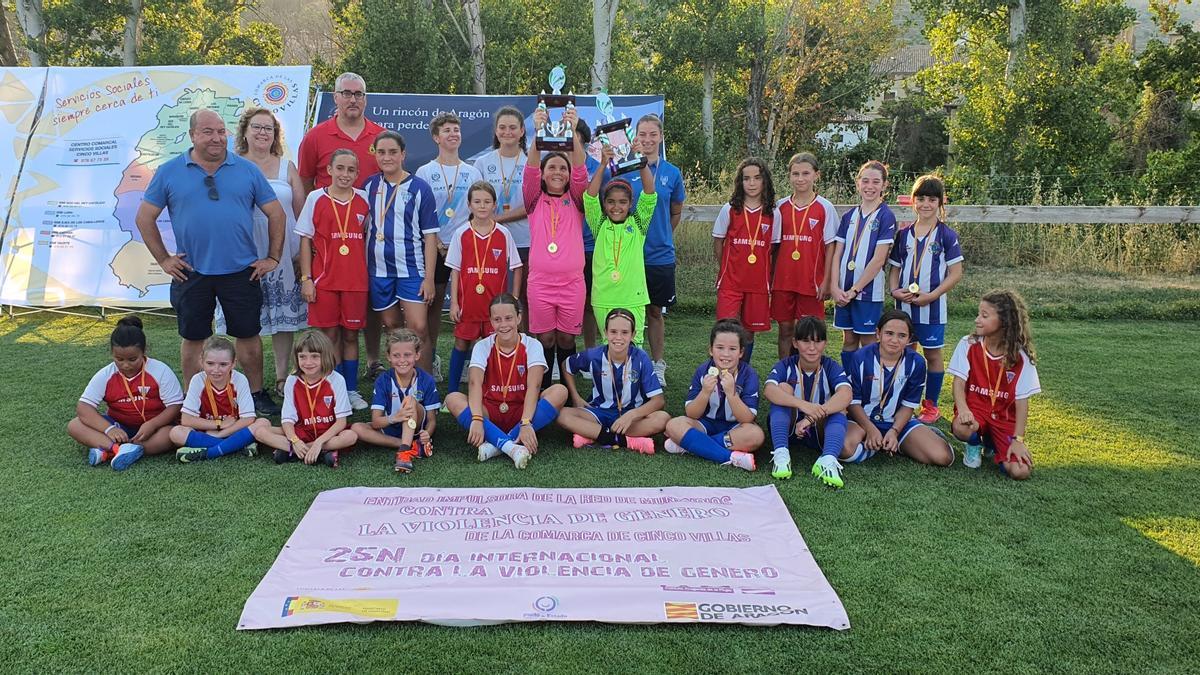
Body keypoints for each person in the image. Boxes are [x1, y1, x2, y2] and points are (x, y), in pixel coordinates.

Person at [135, 108, 285, 415]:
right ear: (192, 135)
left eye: (221, 131)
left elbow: (276, 213)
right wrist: (164, 259)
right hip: (192, 272)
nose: (216, 138)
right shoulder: (169, 171)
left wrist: (272, 257)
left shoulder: (246, 170)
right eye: (208, 132)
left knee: (247, 334)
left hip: (241, 270)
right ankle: (193, 398)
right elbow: (144, 217)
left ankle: (255, 393)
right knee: (193, 336)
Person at [297, 72, 387, 382]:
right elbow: (306, 181)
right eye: (346, 93)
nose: (352, 99)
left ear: (365, 98)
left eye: (358, 94)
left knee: (365, 313)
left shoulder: (380, 136)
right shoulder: (316, 136)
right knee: (330, 329)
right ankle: (331, 382)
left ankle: (373, 361)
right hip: (328, 245)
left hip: (366, 241)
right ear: (335, 97)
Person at [216, 107, 307, 400]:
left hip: (282, 252)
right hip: (243, 250)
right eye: (257, 127)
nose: (262, 133)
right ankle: (248, 382)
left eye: (269, 128)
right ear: (244, 131)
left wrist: (300, 253)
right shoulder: (230, 166)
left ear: (275, 135)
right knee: (246, 319)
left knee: (283, 320)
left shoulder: (287, 167)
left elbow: (301, 213)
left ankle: (282, 376)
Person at [443, 294, 568, 469]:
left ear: (519, 317)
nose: (503, 325)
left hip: (523, 412)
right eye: (497, 319)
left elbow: (535, 386)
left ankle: (497, 444)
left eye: (508, 318)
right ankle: (512, 448)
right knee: (452, 399)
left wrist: (525, 422)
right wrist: (478, 418)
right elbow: (474, 384)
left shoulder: (532, 345)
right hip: (490, 412)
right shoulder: (483, 346)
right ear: (491, 322)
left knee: (559, 391)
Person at [296, 149, 372, 411]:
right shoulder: (315, 198)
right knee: (327, 337)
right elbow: (305, 240)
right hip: (324, 281)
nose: (345, 174)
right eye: (340, 168)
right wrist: (306, 278)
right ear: (329, 170)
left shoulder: (364, 200)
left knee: (351, 336)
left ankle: (350, 390)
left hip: (356, 282)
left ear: (357, 173)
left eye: (351, 170)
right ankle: (330, 387)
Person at [888, 174, 963, 423]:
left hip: (932, 308)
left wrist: (932, 295)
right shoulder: (904, 234)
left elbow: (956, 273)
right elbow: (895, 268)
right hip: (905, 308)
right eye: (921, 198)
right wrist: (894, 290)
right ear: (913, 201)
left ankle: (930, 405)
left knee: (932, 356)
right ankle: (900, 400)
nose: (926, 204)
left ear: (940, 203)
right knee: (904, 354)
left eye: (932, 199)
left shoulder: (946, 235)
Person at [361, 131, 438, 374]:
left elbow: (430, 237)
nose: (387, 157)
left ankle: (423, 387)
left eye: (393, 152)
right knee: (392, 327)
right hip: (379, 271)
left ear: (403, 154)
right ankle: (401, 385)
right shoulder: (369, 186)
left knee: (418, 328)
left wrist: (428, 278)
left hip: (411, 269)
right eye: (381, 152)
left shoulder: (419, 188)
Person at [415, 112, 484, 382]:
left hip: (466, 247)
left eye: (456, 129)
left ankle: (470, 361)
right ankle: (432, 359)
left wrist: (459, 240)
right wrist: (437, 242)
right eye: (446, 130)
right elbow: (421, 214)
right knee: (432, 305)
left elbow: (479, 207)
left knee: (471, 303)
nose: (453, 134)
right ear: (436, 137)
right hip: (435, 247)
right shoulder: (425, 172)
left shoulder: (472, 171)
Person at [841, 310, 954, 470]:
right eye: (889, 333)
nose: (894, 340)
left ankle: (897, 440)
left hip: (897, 422)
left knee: (943, 457)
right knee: (844, 448)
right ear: (878, 334)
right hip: (862, 421)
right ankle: (876, 446)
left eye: (902, 335)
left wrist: (894, 431)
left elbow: (908, 405)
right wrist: (870, 429)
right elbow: (853, 403)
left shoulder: (916, 363)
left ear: (909, 339)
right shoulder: (860, 358)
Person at [524, 105, 588, 389]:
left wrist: (572, 132)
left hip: (572, 283)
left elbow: (580, 172)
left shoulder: (576, 199)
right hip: (540, 283)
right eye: (552, 167)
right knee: (546, 338)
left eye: (563, 167)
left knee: (566, 338)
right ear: (544, 172)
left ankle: (567, 389)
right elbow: (529, 168)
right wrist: (538, 132)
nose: (558, 172)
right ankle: (546, 391)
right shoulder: (534, 199)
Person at [68, 316, 183, 470]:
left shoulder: (160, 370)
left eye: (133, 359)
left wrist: (152, 424)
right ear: (111, 354)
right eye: (119, 359)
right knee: (74, 425)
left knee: (172, 434)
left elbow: (175, 406)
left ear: (144, 351)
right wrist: (110, 429)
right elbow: (84, 407)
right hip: (119, 427)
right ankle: (120, 449)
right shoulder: (106, 374)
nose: (126, 365)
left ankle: (109, 451)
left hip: (155, 428)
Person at [948, 290, 1041, 479]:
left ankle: (992, 443)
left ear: (1004, 322)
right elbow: (958, 383)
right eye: (978, 314)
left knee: (1020, 472)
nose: (977, 320)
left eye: (984, 315)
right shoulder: (968, 344)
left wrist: (1018, 440)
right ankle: (974, 444)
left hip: (1004, 418)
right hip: (975, 411)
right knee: (961, 427)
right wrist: (964, 409)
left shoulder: (1021, 356)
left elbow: (1022, 402)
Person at [622, 113, 686, 385]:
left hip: (659, 255)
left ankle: (657, 363)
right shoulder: (624, 168)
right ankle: (630, 361)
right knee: (627, 312)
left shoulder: (672, 173)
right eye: (642, 134)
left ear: (660, 137)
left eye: (652, 134)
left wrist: (661, 236)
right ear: (635, 137)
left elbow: (675, 211)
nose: (647, 140)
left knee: (655, 312)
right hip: (627, 255)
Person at [445, 181, 523, 393]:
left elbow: (517, 266)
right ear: (469, 205)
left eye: (487, 201)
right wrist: (453, 302)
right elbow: (455, 270)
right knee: (461, 344)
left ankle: (492, 392)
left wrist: (514, 298)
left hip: (495, 308)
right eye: (477, 201)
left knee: (494, 347)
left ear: (494, 205)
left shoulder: (503, 233)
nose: (482, 206)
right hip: (468, 304)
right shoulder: (461, 233)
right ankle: (452, 392)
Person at [558, 309, 669, 454]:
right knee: (561, 415)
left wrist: (632, 415)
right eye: (613, 331)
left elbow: (658, 400)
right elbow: (566, 366)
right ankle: (626, 440)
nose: (618, 337)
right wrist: (575, 397)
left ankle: (593, 435)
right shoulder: (594, 356)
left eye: (624, 332)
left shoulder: (641, 358)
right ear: (605, 332)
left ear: (633, 335)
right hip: (598, 412)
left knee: (662, 418)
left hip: (631, 416)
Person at [663, 318, 762, 471]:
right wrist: (705, 392)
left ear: (741, 352)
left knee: (756, 435)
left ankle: (693, 445)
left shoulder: (749, 375)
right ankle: (730, 457)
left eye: (732, 349)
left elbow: (748, 418)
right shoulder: (703, 371)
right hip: (705, 424)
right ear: (711, 350)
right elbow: (691, 413)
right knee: (673, 425)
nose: (726, 354)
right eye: (720, 348)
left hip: (736, 428)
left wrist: (731, 393)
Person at [764, 316, 853, 486]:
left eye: (818, 341)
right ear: (795, 343)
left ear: (825, 343)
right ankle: (781, 453)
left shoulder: (831, 366)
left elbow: (846, 394)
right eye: (805, 341)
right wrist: (804, 406)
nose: (812, 348)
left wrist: (810, 417)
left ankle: (827, 460)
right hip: (788, 427)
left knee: (839, 406)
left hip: (818, 429)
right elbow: (769, 389)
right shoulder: (785, 365)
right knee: (782, 388)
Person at [585, 143, 657, 343]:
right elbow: (590, 198)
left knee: (634, 346)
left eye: (622, 202)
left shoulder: (638, 223)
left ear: (630, 203)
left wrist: (641, 161)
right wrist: (602, 165)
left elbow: (650, 194)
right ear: (605, 204)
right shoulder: (599, 224)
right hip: (604, 297)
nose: (616, 207)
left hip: (632, 297)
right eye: (611, 202)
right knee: (610, 345)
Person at [252, 331, 357, 467]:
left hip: (328, 434)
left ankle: (295, 452)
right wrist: (295, 440)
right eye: (302, 357)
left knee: (351, 436)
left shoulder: (336, 379)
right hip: (302, 431)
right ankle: (321, 453)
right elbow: (287, 420)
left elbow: (341, 421)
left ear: (325, 356)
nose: (308, 362)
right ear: (296, 358)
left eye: (314, 356)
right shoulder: (292, 380)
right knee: (260, 432)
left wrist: (318, 442)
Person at [772, 152, 839, 359]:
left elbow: (831, 248)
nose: (800, 179)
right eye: (795, 174)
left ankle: (809, 377)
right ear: (789, 176)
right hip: (783, 281)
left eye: (806, 173)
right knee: (785, 330)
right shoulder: (779, 207)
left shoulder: (825, 208)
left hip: (811, 283)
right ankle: (784, 376)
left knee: (809, 333)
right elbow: (773, 247)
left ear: (816, 175)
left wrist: (827, 281)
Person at [712, 157, 780, 363]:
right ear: (740, 182)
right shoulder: (730, 209)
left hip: (758, 284)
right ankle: (724, 374)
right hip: (731, 281)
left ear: (764, 181)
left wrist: (768, 273)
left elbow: (774, 248)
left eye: (757, 178)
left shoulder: (773, 212)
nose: (751, 183)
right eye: (746, 178)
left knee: (748, 333)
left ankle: (742, 373)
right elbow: (718, 241)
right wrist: (726, 265)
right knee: (727, 329)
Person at [829, 160, 896, 365]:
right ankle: (847, 387)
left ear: (884, 185)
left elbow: (878, 260)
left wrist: (855, 290)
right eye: (865, 181)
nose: (870, 186)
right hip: (843, 291)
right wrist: (834, 287)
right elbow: (836, 254)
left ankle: (867, 387)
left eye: (876, 182)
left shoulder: (886, 216)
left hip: (867, 292)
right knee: (849, 339)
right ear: (858, 183)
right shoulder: (849, 216)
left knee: (868, 340)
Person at [350, 329, 440, 474]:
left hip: (416, 427)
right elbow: (375, 422)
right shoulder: (383, 381)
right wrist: (395, 417)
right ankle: (409, 445)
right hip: (391, 428)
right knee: (356, 428)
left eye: (407, 355)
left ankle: (404, 455)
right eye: (396, 355)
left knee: (409, 400)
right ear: (388, 357)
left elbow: (432, 420)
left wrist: (427, 434)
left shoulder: (426, 380)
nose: (402, 360)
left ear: (417, 355)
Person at [170, 335, 259, 463]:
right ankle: (238, 446)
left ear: (233, 363)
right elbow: (186, 419)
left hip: (234, 430)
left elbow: (249, 418)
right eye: (210, 363)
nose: (216, 370)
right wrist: (218, 425)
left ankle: (210, 452)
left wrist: (221, 433)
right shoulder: (198, 380)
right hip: (207, 430)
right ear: (201, 361)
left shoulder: (239, 379)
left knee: (262, 423)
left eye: (223, 364)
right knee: (176, 433)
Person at [474, 106, 531, 304]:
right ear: (496, 131)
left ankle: (523, 336)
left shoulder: (531, 163)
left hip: (524, 240)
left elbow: (531, 205)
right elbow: (476, 202)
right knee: (492, 293)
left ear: (522, 131)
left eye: (513, 127)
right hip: (490, 238)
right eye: (503, 127)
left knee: (522, 298)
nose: (507, 132)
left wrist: (497, 218)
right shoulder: (482, 163)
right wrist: (490, 221)